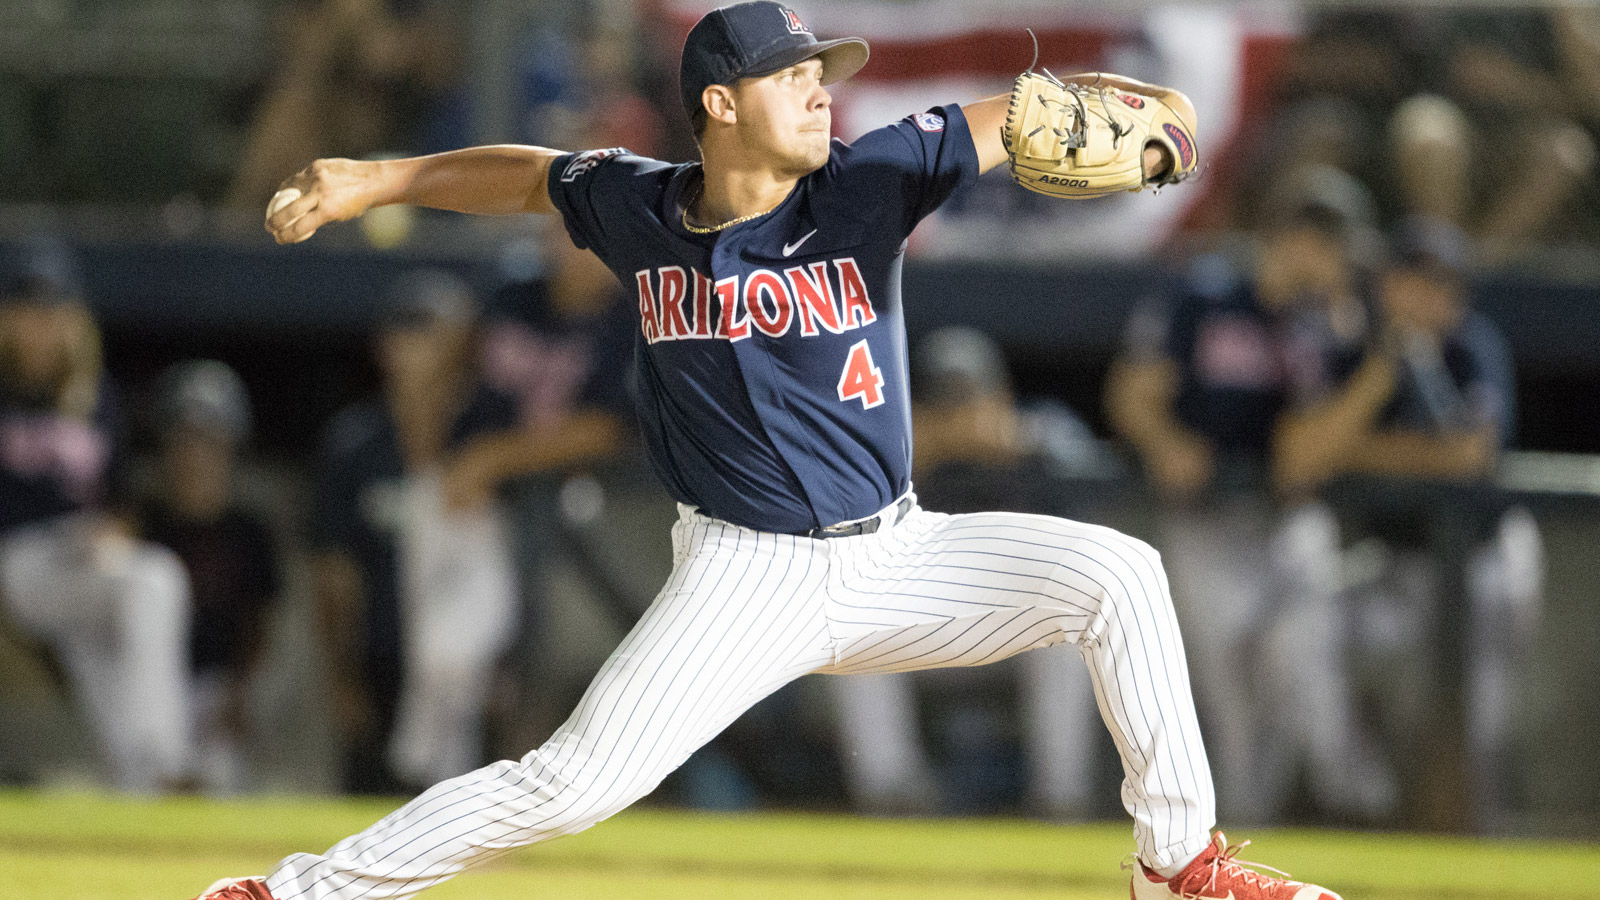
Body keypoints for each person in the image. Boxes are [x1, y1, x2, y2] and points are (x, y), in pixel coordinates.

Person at [199, 4, 1339, 899]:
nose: (818, 94)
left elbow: (1003, 119)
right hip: (743, 580)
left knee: (1120, 574)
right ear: (720, 104)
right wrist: (381, 178)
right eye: (793, 78)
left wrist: (1147, 108)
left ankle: (1178, 872)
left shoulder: (865, 185)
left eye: (819, 75)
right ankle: (297, 894)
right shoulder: (637, 206)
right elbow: (530, 174)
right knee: (569, 784)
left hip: (899, 555)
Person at [1106, 181, 1396, 826]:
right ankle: (1245, 818)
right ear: (1290, 237)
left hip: (1286, 518)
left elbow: (1306, 454)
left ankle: (1350, 803)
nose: (1331, 259)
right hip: (1204, 518)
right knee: (1228, 686)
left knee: (1302, 658)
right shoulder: (1206, 295)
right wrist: (1166, 442)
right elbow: (1132, 392)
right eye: (1323, 242)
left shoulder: (1323, 326)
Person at [1272, 217, 1540, 831]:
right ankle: (1361, 804)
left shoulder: (1473, 346)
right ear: (1383, 285)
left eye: (1440, 283)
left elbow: (1469, 457)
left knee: (1475, 722)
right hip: (1390, 567)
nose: (1424, 295)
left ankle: (1474, 834)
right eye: (1410, 279)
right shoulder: (1352, 352)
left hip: (1484, 561)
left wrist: (1356, 448)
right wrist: (1379, 379)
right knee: (1299, 638)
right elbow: (1299, 459)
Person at [309, 270, 523, 794]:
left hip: (471, 669)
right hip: (384, 660)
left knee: (472, 829)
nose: (417, 349)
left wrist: (513, 659)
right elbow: (333, 572)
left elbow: (516, 559)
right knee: (372, 825)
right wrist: (343, 677)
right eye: (406, 333)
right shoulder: (355, 444)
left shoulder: (493, 428)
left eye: (433, 334)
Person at [0, 240, 195, 793]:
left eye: (51, 309)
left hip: (83, 560)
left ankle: (145, 789)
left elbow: (121, 500)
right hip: (18, 560)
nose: (39, 323)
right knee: (154, 582)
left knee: (104, 652)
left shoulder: (95, 396)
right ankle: (170, 757)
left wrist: (111, 533)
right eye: (27, 309)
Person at [137, 360, 281, 794]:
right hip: (149, 682)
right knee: (146, 780)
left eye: (209, 440)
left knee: (219, 777)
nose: (196, 454)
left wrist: (241, 689)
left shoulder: (249, 530)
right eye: (185, 439)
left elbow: (262, 619)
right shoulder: (145, 521)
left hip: (218, 684)